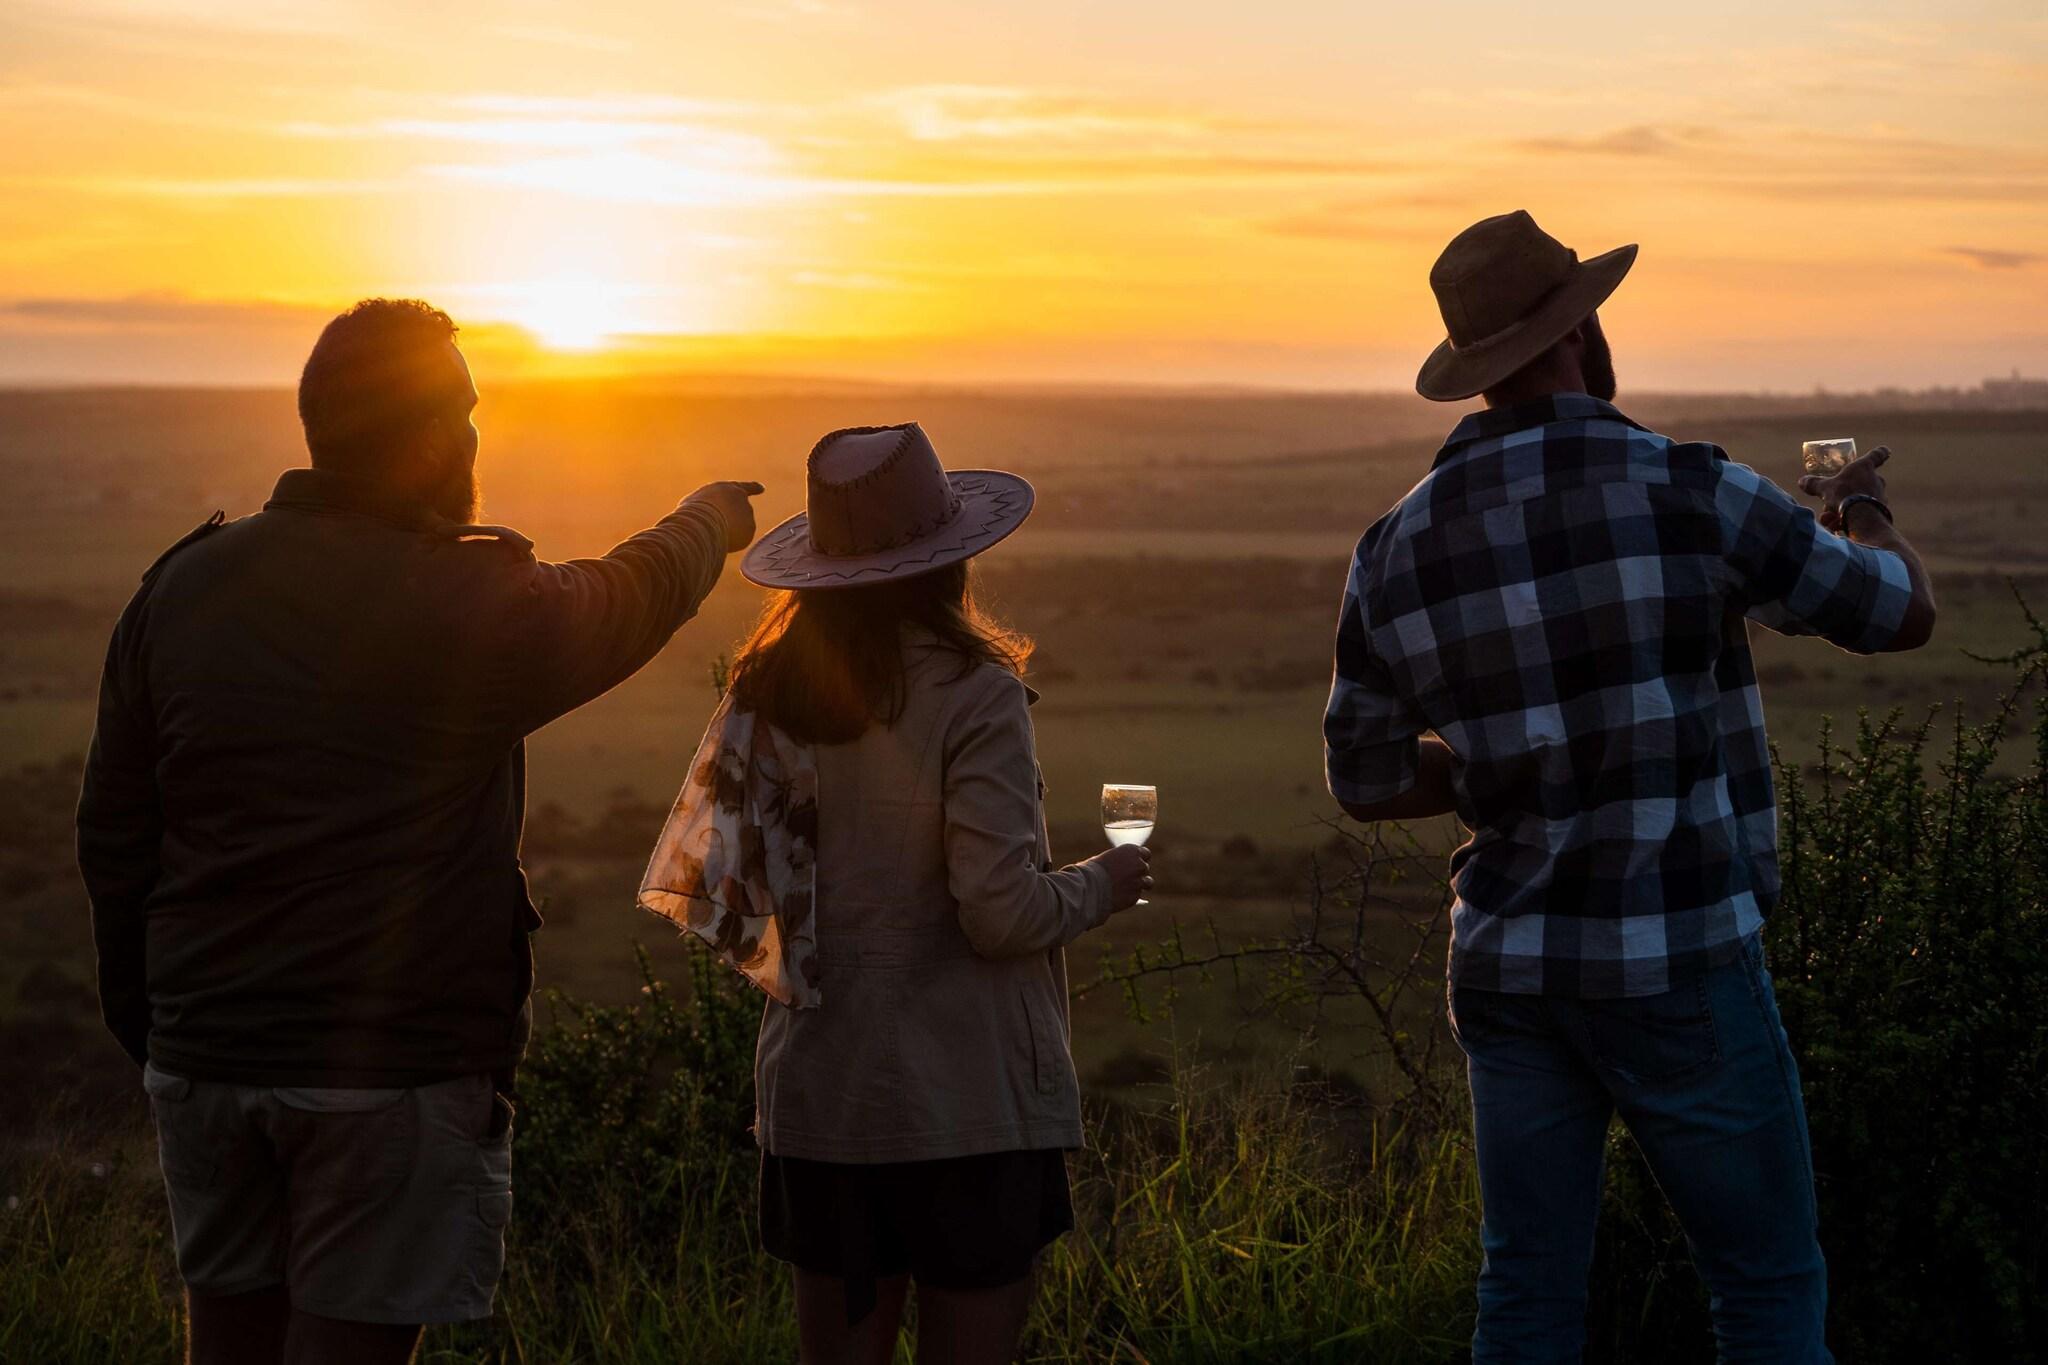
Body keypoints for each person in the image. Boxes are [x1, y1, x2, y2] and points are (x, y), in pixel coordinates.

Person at [74, 298, 763, 1365]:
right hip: (386, 1073)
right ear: (436, 436)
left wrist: (159, 1019)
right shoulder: (458, 595)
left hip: (208, 1053)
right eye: (471, 412)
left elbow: (114, 835)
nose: (479, 436)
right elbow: (620, 601)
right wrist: (707, 521)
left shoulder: (181, 586)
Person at [1323, 212, 1936, 1363]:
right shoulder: (1689, 488)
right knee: (1762, 1285)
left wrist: (1497, 766)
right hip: (1674, 956)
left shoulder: (1392, 545)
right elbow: (1897, 614)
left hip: (1507, 968)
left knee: (1528, 1292)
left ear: (1473, 369)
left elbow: (1358, 776)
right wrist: (1859, 507)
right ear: (1580, 331)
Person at [639, 422, 1150, 1365]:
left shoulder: (765, 691)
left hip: (821, 1100)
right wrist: (1101, 885)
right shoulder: (976, 695)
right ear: (947, 560)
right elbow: (1000, 913)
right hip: (967, 1106)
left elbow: (729, 893)